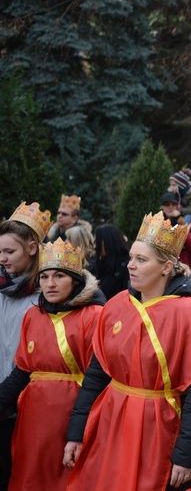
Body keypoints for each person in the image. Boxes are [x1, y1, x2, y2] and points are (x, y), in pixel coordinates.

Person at [63, 211, 191, 490]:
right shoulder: (117, 305)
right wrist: (77, 432)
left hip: (162, 429)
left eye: (141, 260)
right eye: (131, 257)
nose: (131, 266)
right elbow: (96, 376)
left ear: (166, 267)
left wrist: (186, 455)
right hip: (113, 424)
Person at [0, 239, 104, 490]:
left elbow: (98, 377)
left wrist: (81, 428)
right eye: (45, 277)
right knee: (29, 475)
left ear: (74, 280)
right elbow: (22, 371)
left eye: (59, 276)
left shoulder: (94, 316)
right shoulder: (33, 316)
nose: (50, 284)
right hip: (33, 418)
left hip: (72, 413)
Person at [0, 201, 51, 490]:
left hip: (27, 401)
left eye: (9, 252)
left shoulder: (46, 294)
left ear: (32, 249)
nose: (2, 258)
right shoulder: (0, 288)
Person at [162, 192, 191, 283]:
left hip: (187, 278)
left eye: (173, 204)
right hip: (165, 279)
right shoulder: (158, 226)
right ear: (162, 207)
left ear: (179, 206)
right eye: (167, 204)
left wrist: (185, 233)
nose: (170, 207)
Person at [91, 224, 131, 300]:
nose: (95, 247)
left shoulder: (128, 268)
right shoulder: (100, 266)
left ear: (109, 242)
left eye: (98, 242)